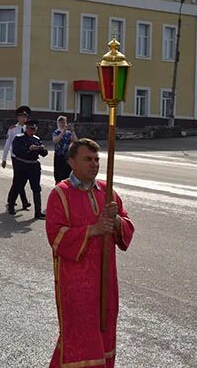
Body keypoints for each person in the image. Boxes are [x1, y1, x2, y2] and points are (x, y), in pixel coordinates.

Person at [45, 138, 135, 368]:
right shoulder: (60, 194)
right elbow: (55, 236)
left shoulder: (107, 191)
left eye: (97, 159)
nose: (94, 164)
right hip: (76, 284)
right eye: (88, 159)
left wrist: (115, 220)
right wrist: (93, 230)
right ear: (72, 162)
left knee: (103, 334)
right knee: (80, 336)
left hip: (106, 282)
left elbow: (127, 228)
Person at [6, 118, 48, 220]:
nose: (32, 131)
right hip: (22, 165)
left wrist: (41, 149)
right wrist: (29, 149)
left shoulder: (37, 139)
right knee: (18, 186)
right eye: (30, 128)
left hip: (34, 166)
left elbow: (45, 153)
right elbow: (16, 151)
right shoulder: (19, 138)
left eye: (34, 129)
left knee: (36, 189)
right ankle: (11, 206)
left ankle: (38, 212)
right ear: (26, 128)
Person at [1, 105, 31, 210]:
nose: (23, 118)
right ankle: (20, 201)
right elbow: (7, 144)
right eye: (21, 116)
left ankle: (15, 200)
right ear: (18, 118)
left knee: (20, 180)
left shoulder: (28, 129)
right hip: (16, 157)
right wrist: (4, 159)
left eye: (25, 117)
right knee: (18, 179)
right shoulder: (13, 129)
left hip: (26, 158)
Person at [52, 115, 78, 183]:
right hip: (59, 156)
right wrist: (62, 132)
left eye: (64, 122)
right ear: (58, 123)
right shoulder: (56, 132)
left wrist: (72, 131)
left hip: (67, 156)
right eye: (61, 122)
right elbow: (55, 140)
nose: (63, 124)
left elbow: (76, 142)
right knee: (58, 175)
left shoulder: (69, 133)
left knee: (67, 175)